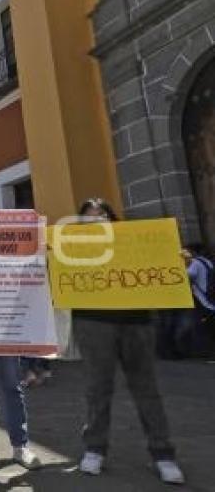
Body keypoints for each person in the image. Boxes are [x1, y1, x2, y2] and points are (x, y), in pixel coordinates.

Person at [73, 198, 184, 484]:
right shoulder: (72, 250)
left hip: (137, 323)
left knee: (146, 389)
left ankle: (163, 454)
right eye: (88, 219)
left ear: (112, 220)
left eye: (101, 216)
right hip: (93, 323)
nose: (96, 222)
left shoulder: (134, 244)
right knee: (97, 389)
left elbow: (160, 265)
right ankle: (95, 449)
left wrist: (177, 259)